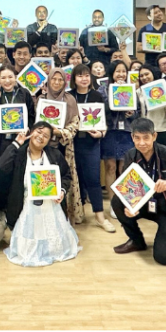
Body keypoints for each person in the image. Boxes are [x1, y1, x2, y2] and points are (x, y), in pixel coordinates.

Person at [111, 118, 166, 265]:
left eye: (146, 138)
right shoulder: (131, 155)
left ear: (154, 136)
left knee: (163, 258)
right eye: (137, 138)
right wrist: (130, 206)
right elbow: (127, 187)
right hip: (146, 203)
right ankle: (136, 241)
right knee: (117, 201)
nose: (142, 143)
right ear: (132, 137)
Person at [0, 121, 80, 266]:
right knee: (26, 249)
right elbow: (0, 167)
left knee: (55, 247)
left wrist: (61, 191)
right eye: (39, 132)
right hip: (24, 206)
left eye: (46, 136)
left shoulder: (54, 155)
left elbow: (66, 176)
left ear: (49, 141)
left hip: (51, 208)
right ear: (31, 132)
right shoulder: (19, 153)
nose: (41, 137)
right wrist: (17, 143)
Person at [36, 66, 82, 224]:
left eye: (60, 79)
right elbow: (35, 123)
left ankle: (64, 218)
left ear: (65, 82)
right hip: (43, 147)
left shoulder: (70, 99)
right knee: (44, 180)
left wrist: (60, 132)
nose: (56, 82)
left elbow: (75, 124)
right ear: (48, 81)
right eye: (53, 79)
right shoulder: (40, 99)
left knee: (64, 181)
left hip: (64, 147)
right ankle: (45, 217)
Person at [69, 62, 113, 231]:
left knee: (93, 180)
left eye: (87, 75)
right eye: (80, 75)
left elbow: (105, 121)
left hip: (91, 143)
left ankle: (100, 217)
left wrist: (101, 133)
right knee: (75, 179)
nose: (84, 79)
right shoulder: (69, 96)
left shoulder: (97, 96)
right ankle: (77, 213)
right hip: (71, 144)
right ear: (74, 79)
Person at [100, 58, 135, 194]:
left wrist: (131, 114)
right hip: (110, 131)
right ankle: (113, 201)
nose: (121, 74)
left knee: (124, 167)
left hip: (126, 132)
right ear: (112, 73)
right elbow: (101, 110)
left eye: (123, 71)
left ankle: (125, 199)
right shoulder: (103, 89)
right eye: (118, 71)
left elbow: (138, 114)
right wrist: (116, 92)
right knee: (110, 166)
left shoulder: (131, 88)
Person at [136, 66, 166, 149]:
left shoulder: (163, 89)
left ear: (153, 74)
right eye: (141, 76)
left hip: (161, 131)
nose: (144, 77)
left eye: (147, 74)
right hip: (144, 132)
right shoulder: (138, 92)